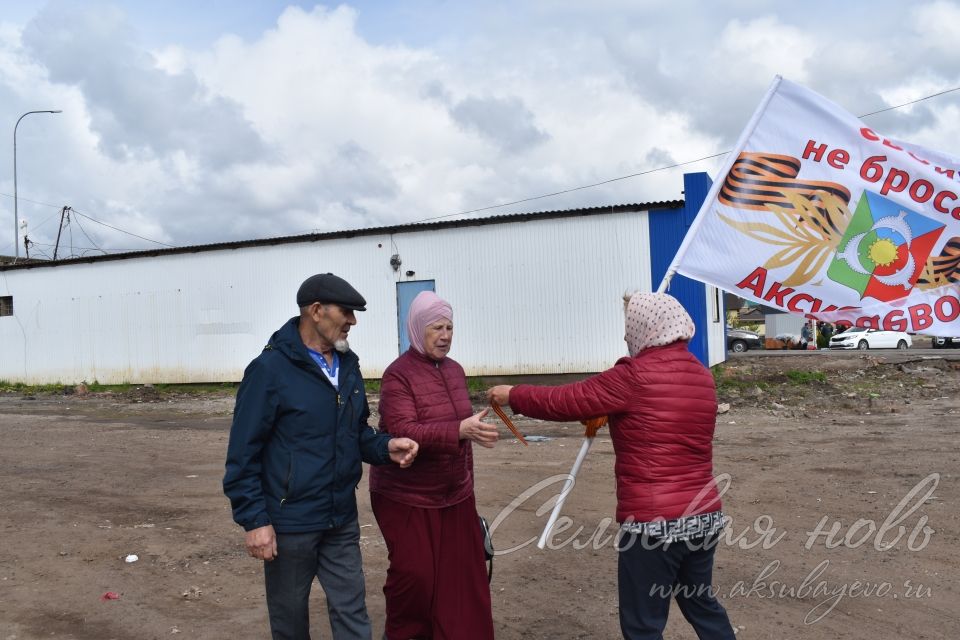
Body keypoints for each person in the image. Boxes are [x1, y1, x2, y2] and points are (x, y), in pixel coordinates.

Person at [488, 292, 735, 640]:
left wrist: (512, 394)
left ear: (644, 329)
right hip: (704, 515)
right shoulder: (702, 376)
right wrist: (613, 410)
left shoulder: (633, 376)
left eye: (628, 325)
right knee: (701, 605)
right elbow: (659, 417)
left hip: (654, 523)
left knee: (642, 624)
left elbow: (565, 401)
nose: (624, 335)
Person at [223, 273, 420, 640]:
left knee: (352, 612)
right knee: (291, 622)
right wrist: (254, 521)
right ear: (316, 311)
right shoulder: (269, 371)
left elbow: (356, 432)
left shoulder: (347, 365)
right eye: (347, 311)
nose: (353, 321)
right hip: (290, 523)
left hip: (340, 518)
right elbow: (242, 455)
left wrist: (384, 447)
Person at [369, 290, 498, 640]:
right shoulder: (398, 375)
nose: (445, 336)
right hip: (407, 496)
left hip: (455, 495)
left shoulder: (456, 371)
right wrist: (460, 430)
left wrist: (469, 439)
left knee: (461, 581)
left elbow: (461, 427)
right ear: (417, 329)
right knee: (416, 579)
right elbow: (403, 430)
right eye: (436, 328)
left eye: (450, 327)